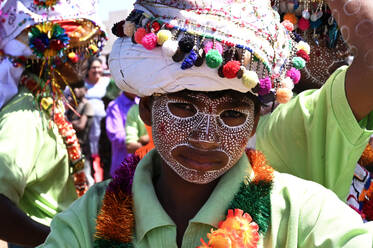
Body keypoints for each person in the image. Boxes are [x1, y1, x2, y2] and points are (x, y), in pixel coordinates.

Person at [39, 0, 373, 247]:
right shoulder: (88, 219)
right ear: (146, 110)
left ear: (255, 123)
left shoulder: (300, 213)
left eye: (232, 115)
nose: (205, 136)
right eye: (184, 108)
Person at [0, 0, 106, 246]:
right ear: (55, 53)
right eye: (83, 47)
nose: (89, 58)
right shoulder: (25, 114)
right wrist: (61, 240)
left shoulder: (46, 101)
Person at [66, 83, 95, 186]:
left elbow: (81, 125)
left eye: (79, 87)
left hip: (83, 147)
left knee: (86, 176)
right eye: (73, 88)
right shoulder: (72, 106)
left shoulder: (87, 105)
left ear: (85, 90)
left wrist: (68, 124)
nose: (76, 90)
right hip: (72, 147)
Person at [105, 92, 138, 177]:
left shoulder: (141, 103)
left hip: (143, 167)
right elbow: (117, 136)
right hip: (123, 168)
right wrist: (143, 140)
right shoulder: (114, 106)